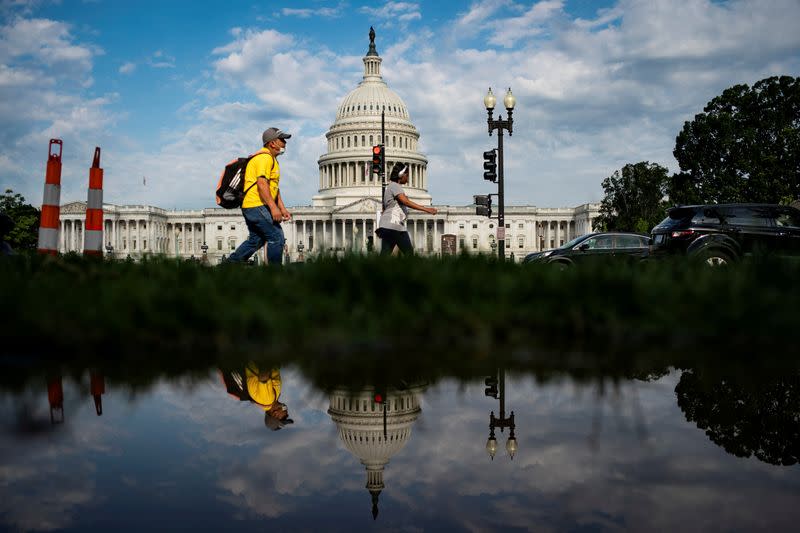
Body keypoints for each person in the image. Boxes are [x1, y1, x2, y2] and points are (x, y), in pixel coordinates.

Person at [227, 127, 292, 265]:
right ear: (272, 143)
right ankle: (275, 275)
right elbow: (262, 184)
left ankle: (228, 266)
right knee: (276, 237)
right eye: (282, 140)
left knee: (256, 240)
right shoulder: (265, 158)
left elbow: (274, 188)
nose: (285, 143)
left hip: (251, 206)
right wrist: (273, 208)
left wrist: (282, 208)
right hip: (256, 205)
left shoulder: (271, 159)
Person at [377, 162, 437, 255]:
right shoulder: (395, 186)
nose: (407, 178)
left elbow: (385, 209)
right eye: (407, 175)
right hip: (395, 225)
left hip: (386, 226)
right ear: (401, 175)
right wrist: (427, 209)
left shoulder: (389, 187)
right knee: (409, 254)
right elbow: (406, 202)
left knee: (384, 256)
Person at [220, 363, 293, 431]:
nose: (287, 414)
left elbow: (263, 376)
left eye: (284, 417)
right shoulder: (273, 399)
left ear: (274, 414)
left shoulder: (267, 400)